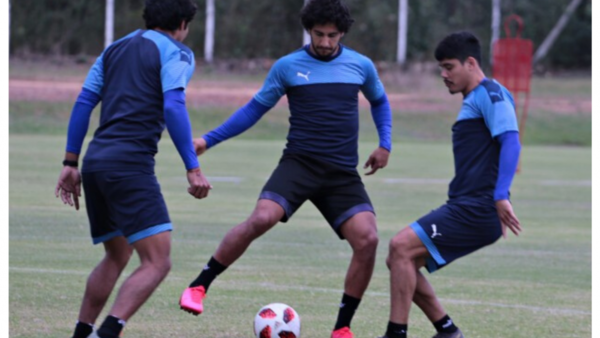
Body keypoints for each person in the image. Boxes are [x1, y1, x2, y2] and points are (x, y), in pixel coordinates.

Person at [178, 0, 392, 337]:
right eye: (318, 34)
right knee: (262, 218)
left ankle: (342, 328)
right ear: (309, 30)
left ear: (342, 33)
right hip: (299, 165)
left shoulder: (360, 66)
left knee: (368, 239)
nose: (324, 42)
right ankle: (199, 286)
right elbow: (254, 110)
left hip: (340, 174)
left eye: (332, 35)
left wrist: (385, 143)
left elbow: (379, 101)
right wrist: (209, 140)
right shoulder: (288, 66)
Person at [54, 1, 211, 337]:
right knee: (158, 261)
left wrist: (70, 162)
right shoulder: (178, 53)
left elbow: (84, 102)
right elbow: (173, 104)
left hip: (95, 163)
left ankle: (82, 333)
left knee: (117, 254)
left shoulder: (114, 48)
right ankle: (106, 333)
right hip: (129, 165)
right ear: (183, 23)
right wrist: (192, 167)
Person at [377, 31, 522, 338]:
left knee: (400, 246)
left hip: (478, 207)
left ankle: (396, 334)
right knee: (399, 259)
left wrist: (500, 195)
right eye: (440, 68)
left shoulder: (490, 93)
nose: (443, 75)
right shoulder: (478, 97)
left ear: (470, 63)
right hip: (466, 204)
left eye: (448, 67)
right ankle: (447, 331)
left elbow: (511, 141)